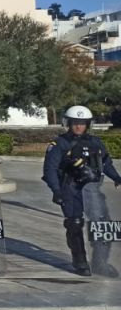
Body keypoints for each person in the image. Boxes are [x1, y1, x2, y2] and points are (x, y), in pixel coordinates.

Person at [43, 105, 121, 276]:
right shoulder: (59, 143)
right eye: (75, 123)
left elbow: (106, 163)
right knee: (75, 223)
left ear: (88, 124)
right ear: (68, 123)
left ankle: (101, 262)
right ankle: (80, 261)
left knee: (102, 224)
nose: (79, 126)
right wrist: (56, 190)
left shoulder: (95, 142)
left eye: (82, 123)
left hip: (93, 188)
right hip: (70, 188)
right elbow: (49, 169)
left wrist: (116, 178)